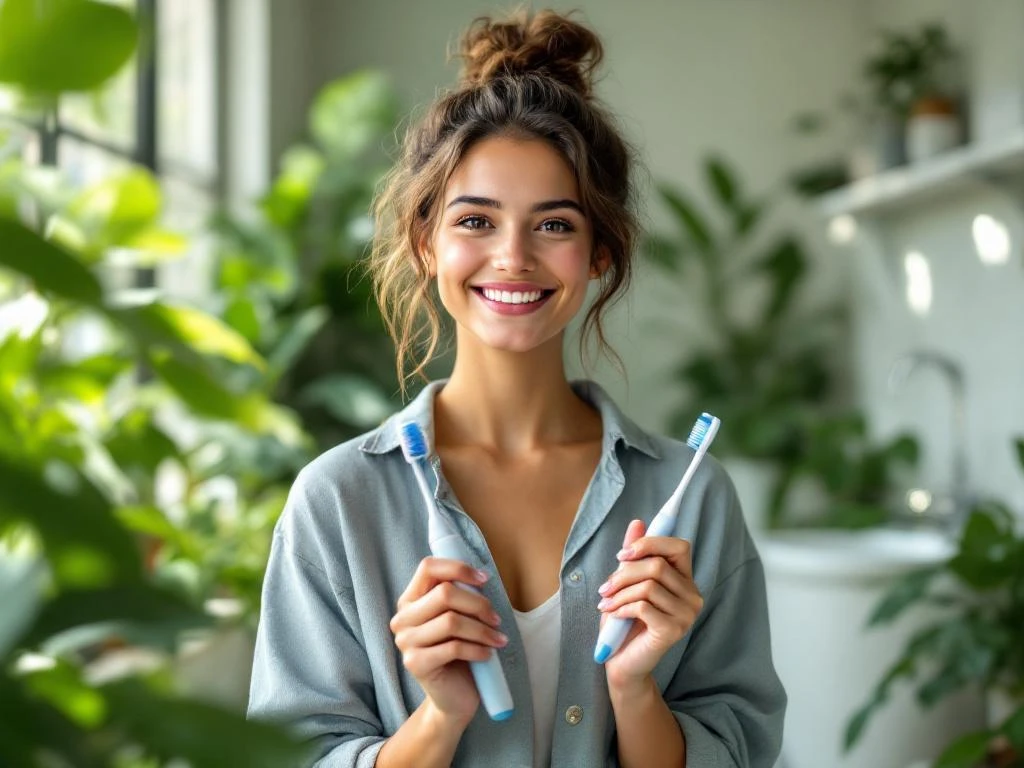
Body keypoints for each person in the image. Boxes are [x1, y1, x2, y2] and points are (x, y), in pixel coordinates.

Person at [248, 8, 786, 767]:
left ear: (601, 253)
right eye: (476, 220)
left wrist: (637, 692)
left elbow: (744, 750)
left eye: (555, 226)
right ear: (425, 241)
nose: (513, 258)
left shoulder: (694, 498)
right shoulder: (336, 504)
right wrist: (438, 717)